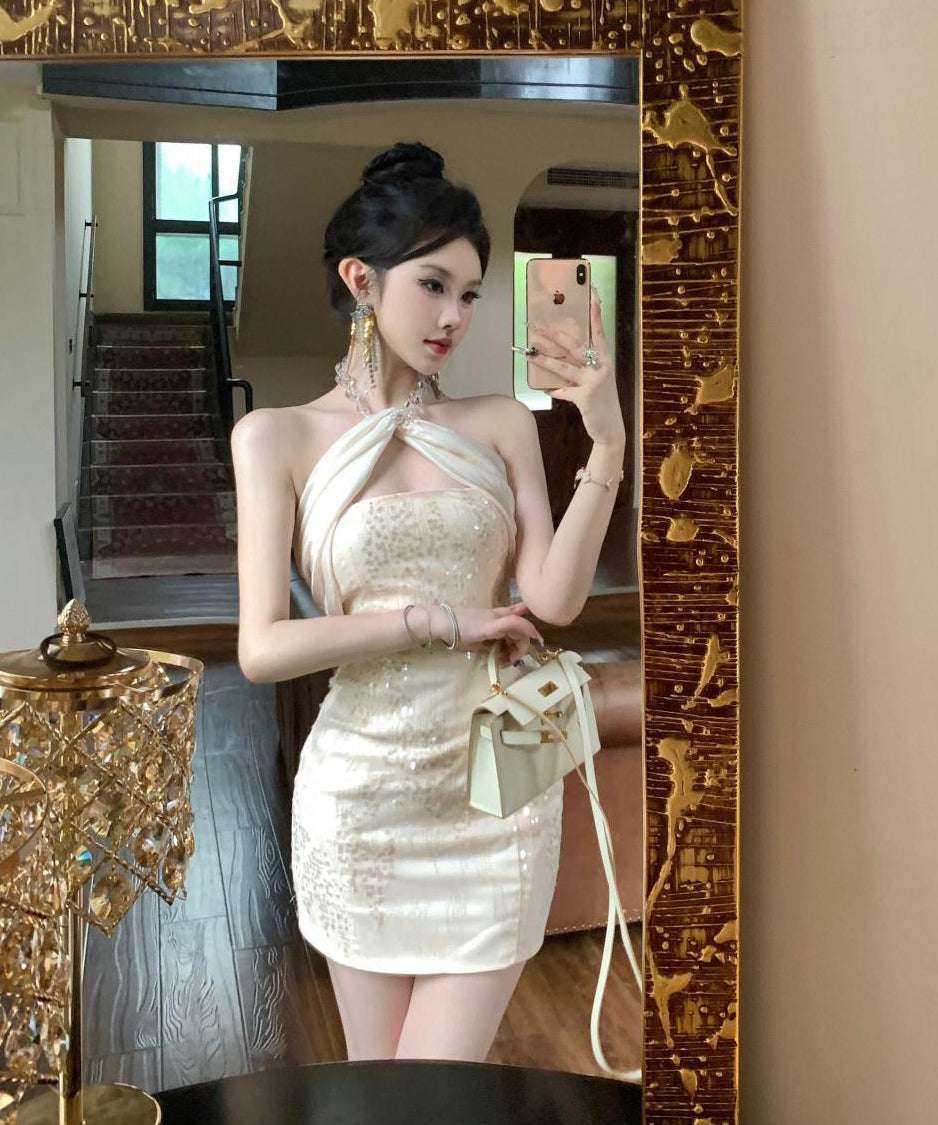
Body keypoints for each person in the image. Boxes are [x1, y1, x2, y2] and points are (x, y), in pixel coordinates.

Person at [231, 141, 626, 1064]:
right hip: (359, 801)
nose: (455, 316)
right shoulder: (275, 436)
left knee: (439, 1088)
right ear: (361, 280)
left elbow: (557, 598)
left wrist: (606, 441)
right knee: (385, 1095)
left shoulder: (500, 423)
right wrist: (433, 621)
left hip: (497, 797)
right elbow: (261, 647)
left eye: (472, 293)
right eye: (434, 285)